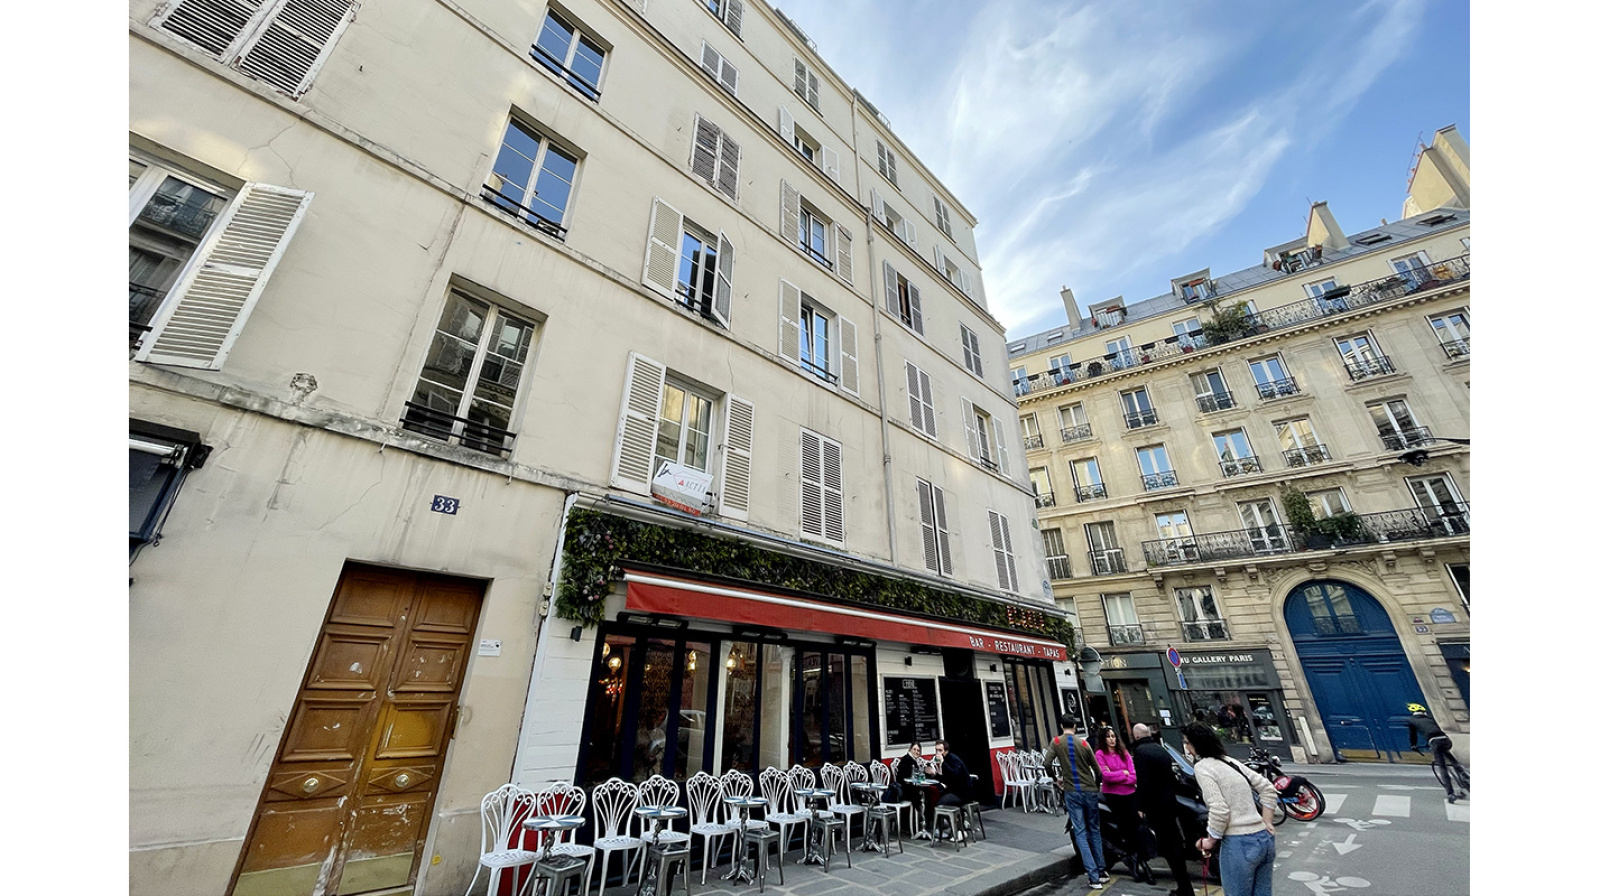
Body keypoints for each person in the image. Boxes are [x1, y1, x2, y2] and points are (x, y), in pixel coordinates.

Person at [1183, 723, 1278, 896]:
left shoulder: (1203, 767)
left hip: (1239, 843)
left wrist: (1210, 841)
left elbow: (1219, 809)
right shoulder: (1229, 761)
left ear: (1196, 744)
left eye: (1188, 743)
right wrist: (1267, 821)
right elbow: (1268, 788)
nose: (1187, 749)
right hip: (1264, 840)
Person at [1131, 723, 1195, 896]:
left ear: (1136, 736)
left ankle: (1184, 888)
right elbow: (1171, 776)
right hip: (1169, 802)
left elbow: (1143, 781)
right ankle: (1184, 886)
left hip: (1155, 805)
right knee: (1174, 843)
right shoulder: (1160, 749)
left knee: (1168, 847)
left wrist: (1140, 806)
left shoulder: (1140, 752)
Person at [1047, 716, 1108, 889]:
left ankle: (1093, 876)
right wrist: (1095, 787)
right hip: (1089, 790)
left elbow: (1047, 763)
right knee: (1095, 830)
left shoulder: (1057, 742)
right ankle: (1102, 871)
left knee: (1080, 832)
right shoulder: (1084, 744)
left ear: (1061, 725)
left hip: (1072, 791)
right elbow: (1098, 771)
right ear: (1074, 726)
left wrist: (1055, 779)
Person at [1094, 727, 1143, 880]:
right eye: (1108, 737)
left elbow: (1134, 776)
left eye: (1114, 736)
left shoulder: (1124, 753)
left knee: (1136, 826)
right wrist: (1123, 773)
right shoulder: (1100, 754)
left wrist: (1119, 776)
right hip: (1113, 795)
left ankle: (1137, 855)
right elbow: (1106, 777)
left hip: (1129, 793)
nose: (1112, 739)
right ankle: (1130, 856)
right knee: (1124, 826)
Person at [1406, 703, 1468, 802]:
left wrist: (1413, 745)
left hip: (1434, 741)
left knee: (1443, 768)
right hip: (1445, 740)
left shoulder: (1411, 720)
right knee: (1449, 756)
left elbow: (1413, 736)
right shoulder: (1430, 718)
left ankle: (1450, 793)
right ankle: (1463, 773)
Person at [929, 740, 975, 839]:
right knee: (938, 798)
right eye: (936, 750)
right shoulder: (946, 760)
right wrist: (935, 774)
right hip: (955, 791)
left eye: (940, 750)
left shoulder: (954, 760)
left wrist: (942, 763)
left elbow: (955, 775)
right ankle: (949, 828)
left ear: (946, 751)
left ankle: (957, 829)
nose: (938, 753)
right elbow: (947, 778)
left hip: (964, 793)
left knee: (941, 804)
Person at [894, 742, 932, 838]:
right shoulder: (907, 760)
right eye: (914, 749)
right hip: (905, 789)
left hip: (910, 787)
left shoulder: (912, 760)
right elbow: (904, 778)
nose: (916, 752)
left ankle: (924, 823)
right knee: (922, 796)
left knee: (926, 794)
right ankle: (923, 823)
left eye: (918, 750)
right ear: (910, 749)